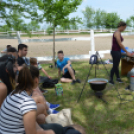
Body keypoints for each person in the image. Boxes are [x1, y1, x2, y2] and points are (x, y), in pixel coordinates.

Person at [0, 66, 55, 134]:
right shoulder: (27, 102)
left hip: (5, 131)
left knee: (42, 118)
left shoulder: (13, 93)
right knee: (54, 130)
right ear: (36, 80)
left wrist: (40, 130)